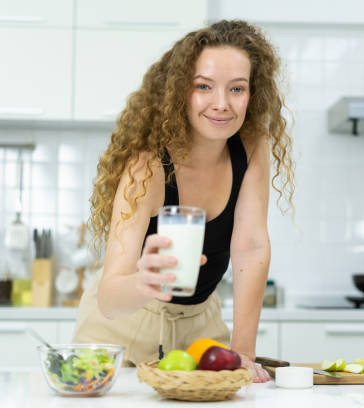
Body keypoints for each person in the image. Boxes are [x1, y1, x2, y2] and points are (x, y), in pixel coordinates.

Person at [73, 20, 294, 383]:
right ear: (179, 91)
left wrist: (243, 350)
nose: (221, 104)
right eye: (203, 87)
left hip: (201, 330)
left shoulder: (251, 146)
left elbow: (251, 247)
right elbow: (110, 298)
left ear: (253, 93)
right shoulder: (147, 166)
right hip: (120, 334)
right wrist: (143, 282)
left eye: (236, 89)